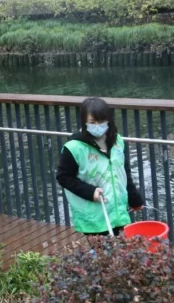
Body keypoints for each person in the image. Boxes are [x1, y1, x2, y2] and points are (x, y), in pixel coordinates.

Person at [56, 97, 144, 236]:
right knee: (103, 254)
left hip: (117, 213)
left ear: (108, 119)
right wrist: (91, 192)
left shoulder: (117, 141)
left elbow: (123, 172)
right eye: (92, 122)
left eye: (101, 121)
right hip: (94, 217)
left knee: (120, 253)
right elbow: (63, 177)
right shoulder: (74, 147)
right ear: (84, 122)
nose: (97, 126)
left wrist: (134, 200)